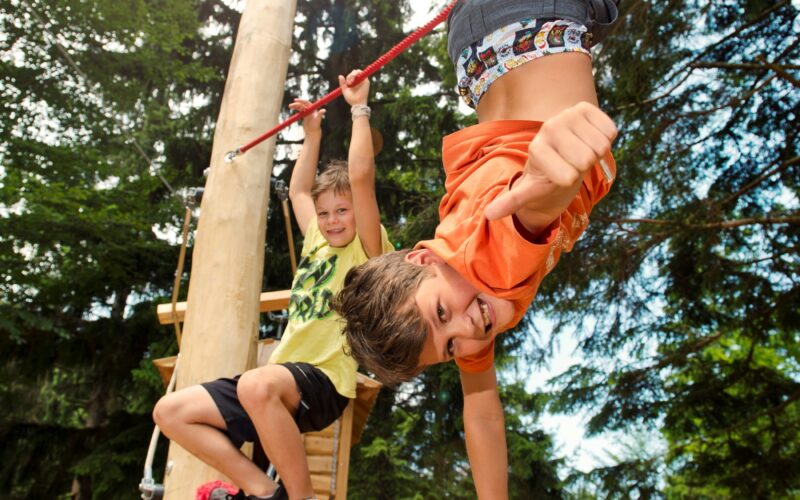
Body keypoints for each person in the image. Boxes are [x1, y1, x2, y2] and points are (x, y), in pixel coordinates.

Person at [332, 0, 619, 497]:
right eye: (449, 347)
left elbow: (526, 217)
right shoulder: (449, 284)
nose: (466, 331)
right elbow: (481, 410)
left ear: (422, 259)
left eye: (442, 315)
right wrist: (359, 108)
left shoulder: (490, 263)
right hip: (476, 50)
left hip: (535, 16)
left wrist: (547, 181)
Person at [153, 69, 392, 500]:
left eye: (342, 211)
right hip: (278, 382)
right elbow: (299, 192)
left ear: (359, 211)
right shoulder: (319, 241)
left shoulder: (366, 251)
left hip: (324, 382)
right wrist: (312, 134)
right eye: (325, 214)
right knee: (171, 412)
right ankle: (265, 492)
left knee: (256, 383)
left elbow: (361, 179)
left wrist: (359, 109)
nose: (332, 221)